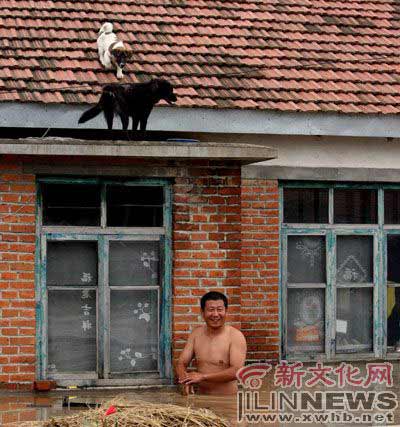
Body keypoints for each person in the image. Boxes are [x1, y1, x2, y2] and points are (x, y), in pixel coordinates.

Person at [175, 291, 247, 395]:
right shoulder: (196, 334)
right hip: (200, 398)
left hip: (227, 400)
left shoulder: (235, 336)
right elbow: (181, 363)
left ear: (226, 311)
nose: (215, 314)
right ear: (202, 312)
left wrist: (203, 377)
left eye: (219, 310)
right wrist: (184, 379)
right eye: (211, 310)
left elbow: (237, 371)